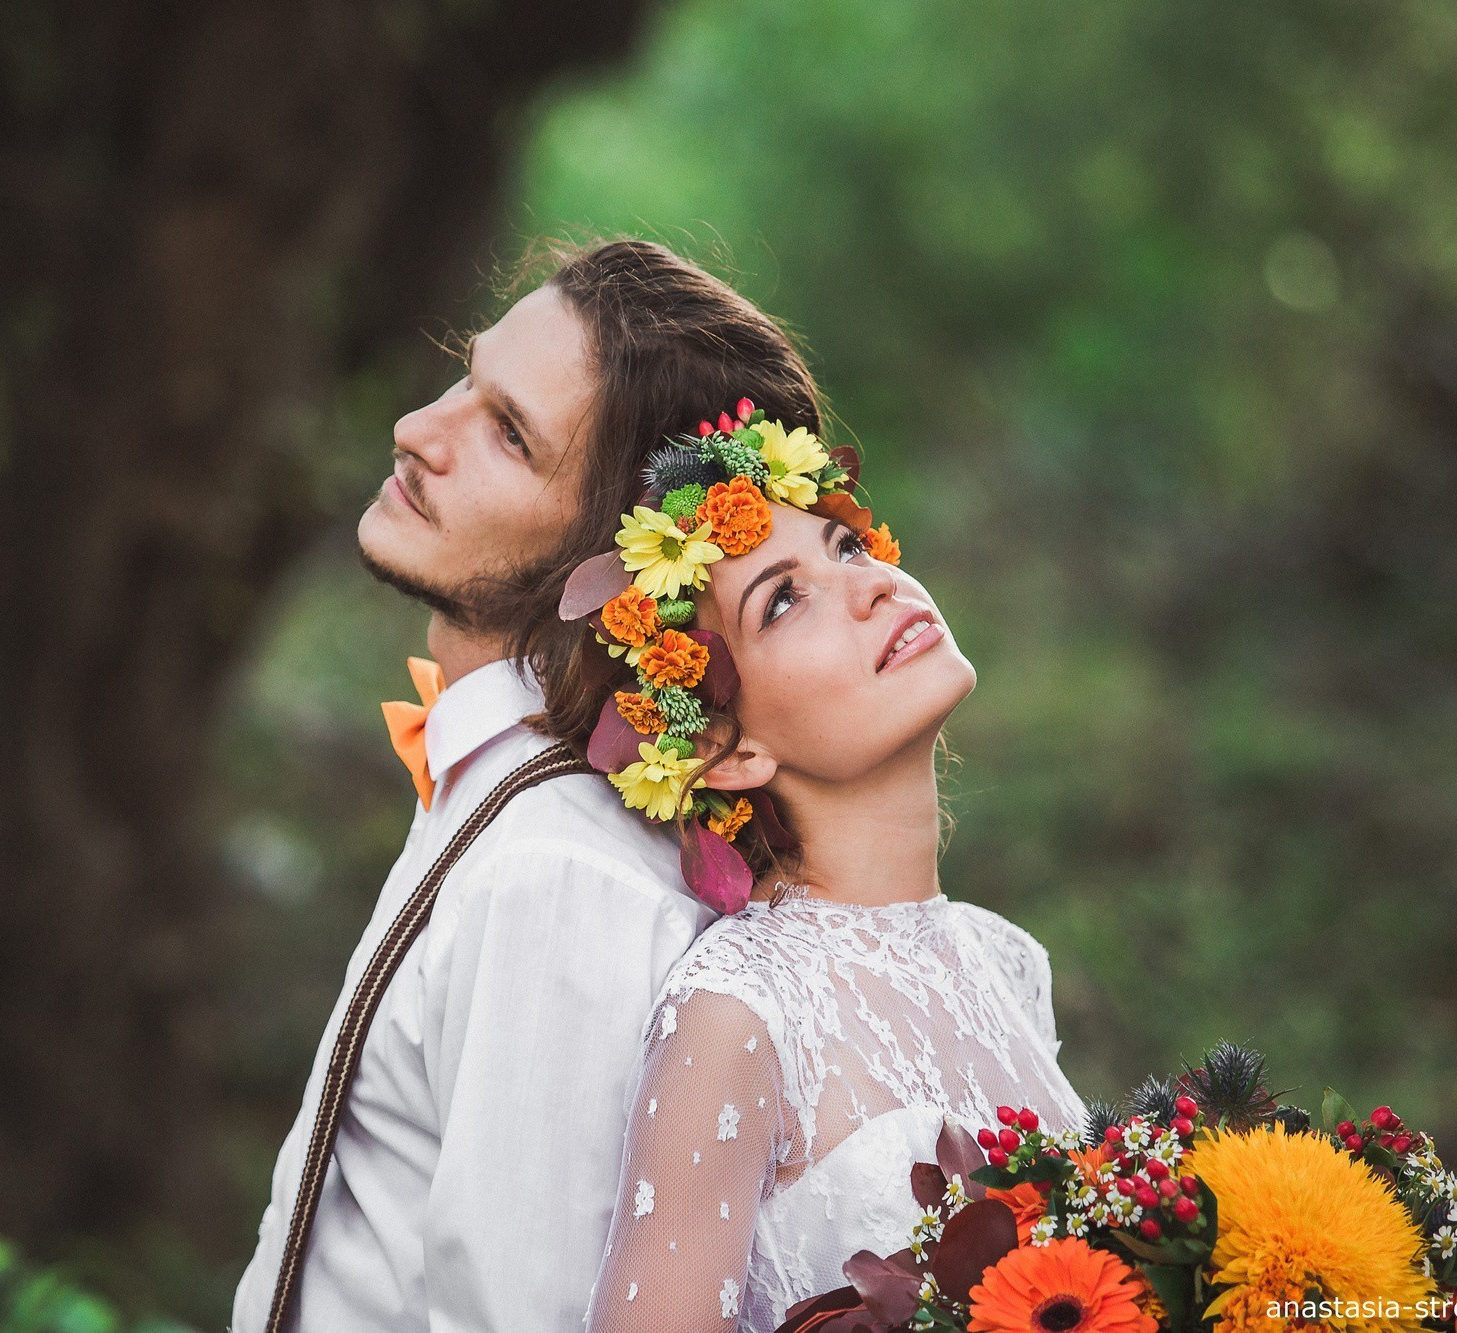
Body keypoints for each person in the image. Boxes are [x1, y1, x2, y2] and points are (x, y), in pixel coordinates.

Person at [229, 239, 825, 1333]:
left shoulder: (559, 876)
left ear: (615, 557)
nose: (418, 429)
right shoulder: (510, 805)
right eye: (465, 378)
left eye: (509, 434)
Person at [538, 411, 1088, 1331]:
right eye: (784, 599)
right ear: (725, 750)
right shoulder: (739, 1009)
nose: (872, 585)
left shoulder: (1008, 962)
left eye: (847, 547)